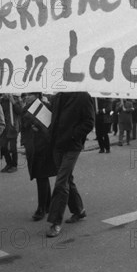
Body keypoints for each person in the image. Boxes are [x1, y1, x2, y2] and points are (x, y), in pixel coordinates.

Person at [46, 92, 95, 238]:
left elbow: (89, 122)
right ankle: (79, 210)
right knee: (67, 179)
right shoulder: (58, 96)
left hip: (72, 146)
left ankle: (55, 222)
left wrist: (73, 135)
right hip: (57, 145)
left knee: (61, 182)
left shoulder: (83, 96)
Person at [20, 92, 57, 221]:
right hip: (32, 148)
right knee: (41, 177)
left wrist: (39, 128)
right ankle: (47, 204)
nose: (26, 97)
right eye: (25, 95)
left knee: (41, 176)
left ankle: (41, 208)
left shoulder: (46, 106)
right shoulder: (25, 109)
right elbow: (23, 128)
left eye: (30, 94)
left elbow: (51, 127)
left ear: (37, 95)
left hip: (44, 147)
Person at [0, 93, 22, 173]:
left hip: (12, 127)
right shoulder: (1, 100)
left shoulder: (16, 99)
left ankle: (14, 165)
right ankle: (9, 163)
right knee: (3, 147)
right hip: (4, 127)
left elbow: (20, 111)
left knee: (13, 148)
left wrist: (13, 101)